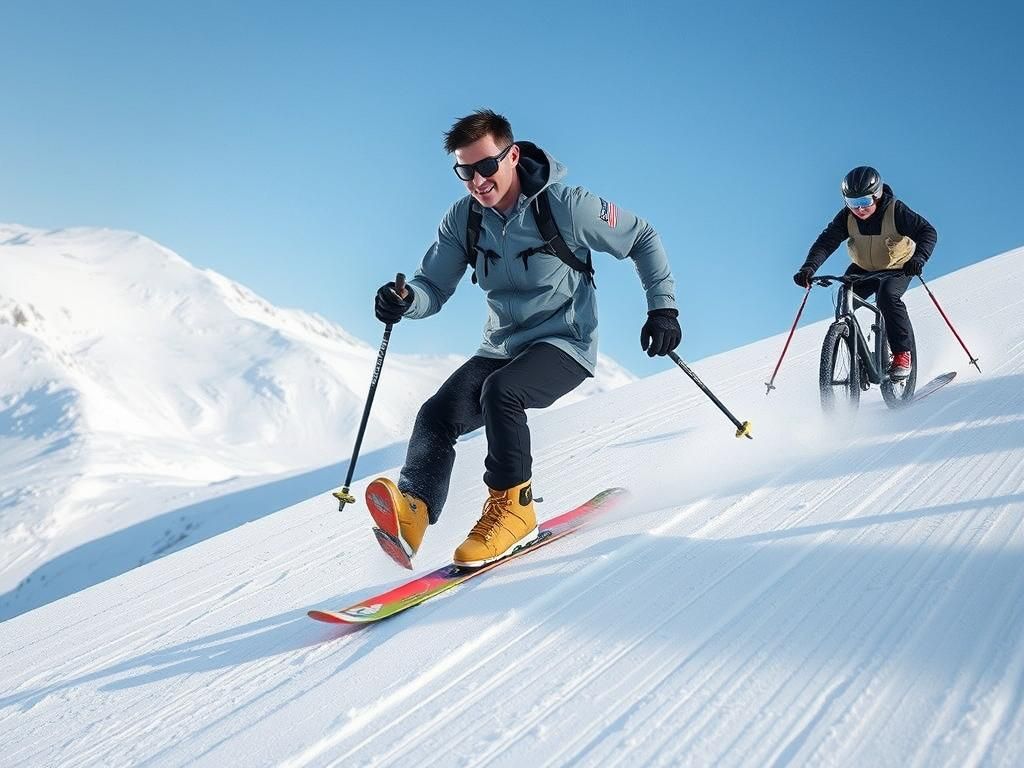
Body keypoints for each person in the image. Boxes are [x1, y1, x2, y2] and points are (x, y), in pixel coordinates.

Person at [367, 109, 680, 569]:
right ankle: (413, 510)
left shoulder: (566, 206)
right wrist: (404, 299)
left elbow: (642, 238)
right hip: (501, 348)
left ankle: (515, 512)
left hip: (564, 343)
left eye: (486, 166)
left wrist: (663, 309)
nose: (478, 181)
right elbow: (432, 286)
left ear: (512, 156)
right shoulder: (464, 219)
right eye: (465, 171)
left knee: (502, 391)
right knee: (436, 414)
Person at [792, 166, 937, 379]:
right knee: (845, 296)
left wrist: (918, 259)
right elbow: (826, 243)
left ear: (877, 195)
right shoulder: (846, 217)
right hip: (864, 268)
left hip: (898, 267)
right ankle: (855, 353)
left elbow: (927, 232)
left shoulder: (895, 210)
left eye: (864, 201)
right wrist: (809, 268)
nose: (859, 209)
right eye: (852, 203)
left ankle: (901, 354)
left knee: (887, 297)